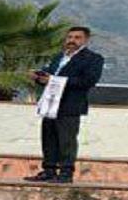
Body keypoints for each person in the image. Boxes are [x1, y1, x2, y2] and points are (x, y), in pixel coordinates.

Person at [25, 26, 104, 183]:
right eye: (70, 37)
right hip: (50, 104)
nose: (72, 40)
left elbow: (88, 81)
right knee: (48, 138)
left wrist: (56, 80)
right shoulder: (58, 57)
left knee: (66, 140)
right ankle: (49, 170)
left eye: (77, 37)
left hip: (70, 104)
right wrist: (39, 77)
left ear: (85, 40)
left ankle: (66, 172)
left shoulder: (93, 58)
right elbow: (50, 76)